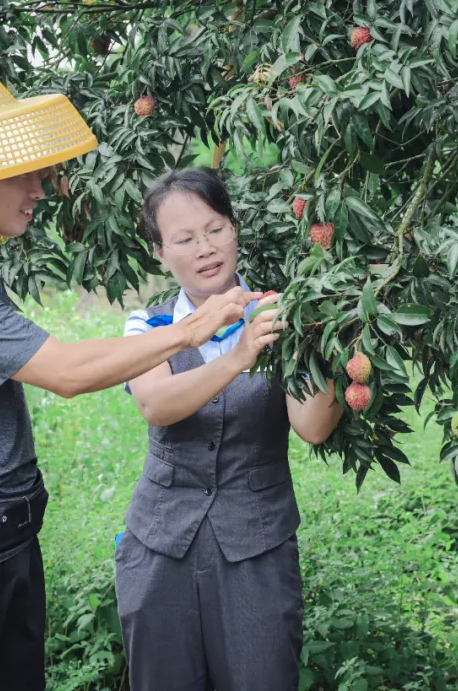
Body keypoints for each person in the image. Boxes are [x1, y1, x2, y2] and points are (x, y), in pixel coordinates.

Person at [0, 77, 259, 691]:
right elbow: (67, 372)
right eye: (23, 177)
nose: (39, 191)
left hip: (1, 547)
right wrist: (192, 331)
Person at [114, 168, 345, 690]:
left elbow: (311, 427)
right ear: (160, 252)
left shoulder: (280, 314)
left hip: (256, 551)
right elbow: (156, 404)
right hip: (159, 549)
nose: (205, 248)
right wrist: (239, 355)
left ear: (235, 228)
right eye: (184, 239)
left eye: (215, 229)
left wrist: (331, 340)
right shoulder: (148, 328)